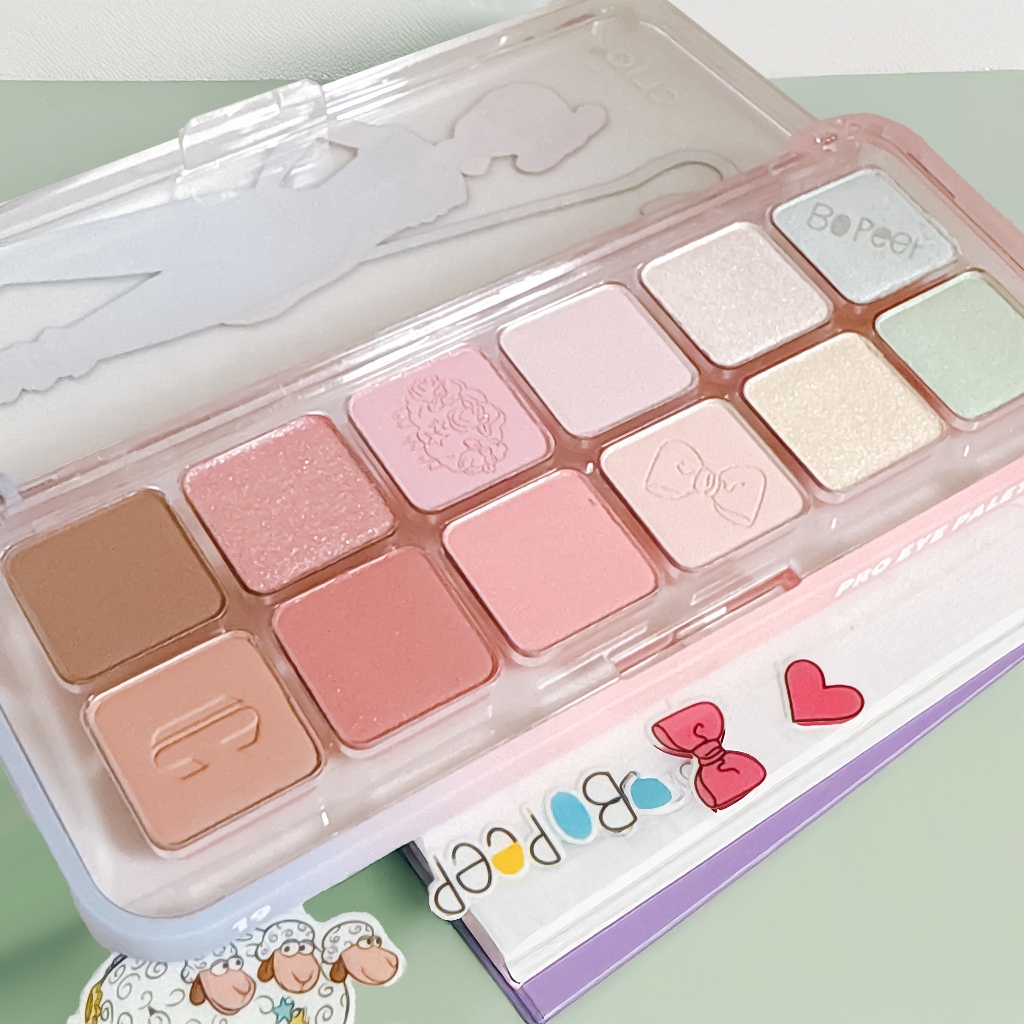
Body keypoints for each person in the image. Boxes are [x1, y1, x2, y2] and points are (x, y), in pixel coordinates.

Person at [0, 82, 606, 402]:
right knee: (90, 247)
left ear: (522, 146)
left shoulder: (447, 189)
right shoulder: (398, 139)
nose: (488, 123)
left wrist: (286, 284)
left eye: (509, 125)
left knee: (105, 334)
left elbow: (357, 239)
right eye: (494, 109)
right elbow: (317, 128)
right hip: (259, 220)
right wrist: (276, 169)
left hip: (287, 258)